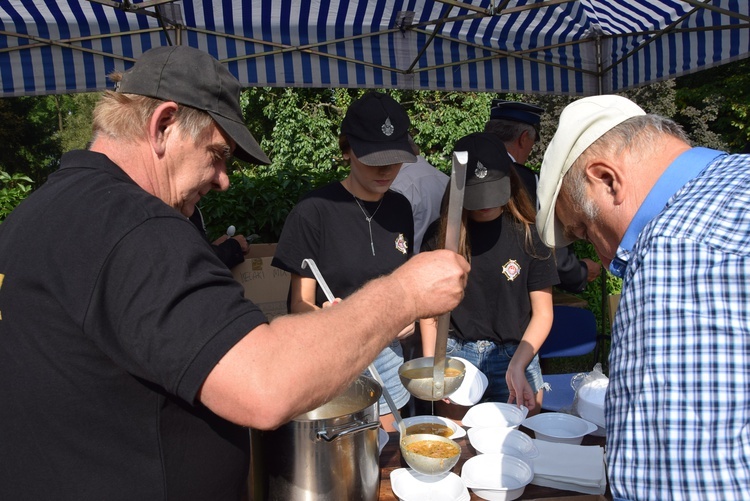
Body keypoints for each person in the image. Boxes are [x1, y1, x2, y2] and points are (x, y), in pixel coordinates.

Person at [0, 46, 470, 500]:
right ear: (163, 125)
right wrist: (404, 294)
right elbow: (266, 385)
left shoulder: (33, 216)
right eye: (217, 154)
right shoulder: (138, 228)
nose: (224, 179)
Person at [535, 94, 750, 501]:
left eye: (583, 230)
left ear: (607, 179)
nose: (602, 257)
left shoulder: (673, 251)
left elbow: (679, 478)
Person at [271, 91, 418, 431]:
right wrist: (328, 319)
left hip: (389, 350)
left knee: (391, 452)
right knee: (345, 455)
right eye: (373, 159)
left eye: (394, 160)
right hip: (333, 356)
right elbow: (301, 303)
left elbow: (401, 286)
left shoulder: (401, 209)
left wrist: (409, 313)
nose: (386, 171)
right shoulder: (313, 212)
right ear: (347, 149)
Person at [420, 132, 558, 417]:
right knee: (457, 449)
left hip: (518, 354)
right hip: (457, 357)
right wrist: (434, 364)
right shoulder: (440, 238)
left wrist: (519, 364)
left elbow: (543, 313)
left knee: (522, 446)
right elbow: (429, 313)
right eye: (475, 195)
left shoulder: (531, 236)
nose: (485, 204)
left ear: (509, 181)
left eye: (492, 192)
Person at [485, 99, 600, 293]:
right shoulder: (525, 181)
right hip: (514, 288)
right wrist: (578, 272)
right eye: (533, 140)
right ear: (523, 138)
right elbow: (546, 240)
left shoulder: (466, 172)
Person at [390, 136, 449, 253]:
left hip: (411, 263)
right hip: (444, 260)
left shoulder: (397, 187)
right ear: (416, 149)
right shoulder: (446, 180)